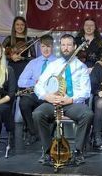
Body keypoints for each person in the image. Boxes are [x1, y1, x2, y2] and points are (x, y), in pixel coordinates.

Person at [33, 34, 93, 165]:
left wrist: (70, 100)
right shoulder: (53, 65)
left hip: (72, 103)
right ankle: (47, 152)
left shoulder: (81, 67)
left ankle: (78, 152)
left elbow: (86, 91)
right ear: (60, 47)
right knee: (37, 114)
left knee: (87, 114)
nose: (66, 48)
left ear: (75, 47)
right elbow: (38, 85)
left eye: (69, 45)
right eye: (63, 45)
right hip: (53, 102)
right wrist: (47, 96)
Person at [17, 34, 56, 145]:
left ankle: (46, 132)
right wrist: (36, 83)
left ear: (53, 47)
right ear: (40, 47)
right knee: (24, 103)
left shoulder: (58, 62)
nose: (46, 49)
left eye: (48, 46)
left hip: (51, 94)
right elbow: (21, 81)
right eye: (43, 46)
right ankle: (33, 132)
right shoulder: (33, 63)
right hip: (35, 93)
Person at [2, 16, 36, 80]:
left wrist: (22, 58)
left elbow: (34, 57)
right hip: (11, 68)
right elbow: (0, 54)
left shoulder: (29, 39)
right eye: (17, 24)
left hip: (25, 68)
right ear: (14, 26)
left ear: (25, 26)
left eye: (22, 25)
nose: (20, 27)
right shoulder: (9, 38)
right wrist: (11, 57)